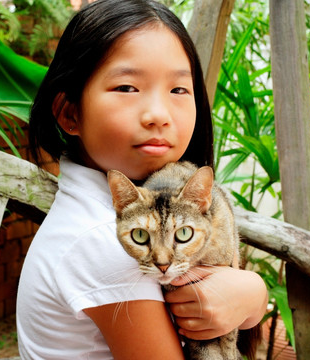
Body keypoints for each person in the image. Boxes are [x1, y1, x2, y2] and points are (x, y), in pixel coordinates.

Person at [16, 0, 268, 359]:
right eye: (127, 88)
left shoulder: (131, 208)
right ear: (70, 113)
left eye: (178, 90)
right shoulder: (108, 244)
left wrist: (252, 297)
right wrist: (254, 293)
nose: (158, 115)